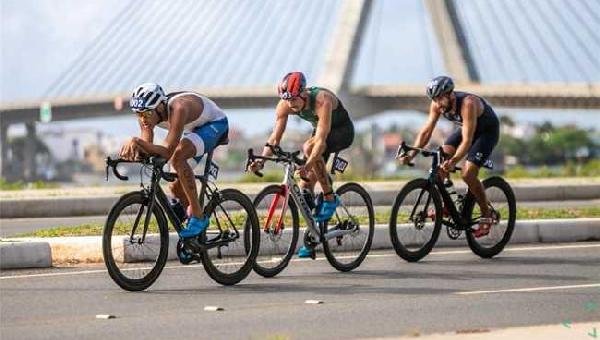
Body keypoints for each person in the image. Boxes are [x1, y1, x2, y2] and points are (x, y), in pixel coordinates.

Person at [248, 71, 355, 257]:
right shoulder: (285, 104)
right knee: (305, 188)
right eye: (287, 100)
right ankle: (314, 237)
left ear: (304, 93)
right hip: (321, 134)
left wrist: (308, 164)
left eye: (294, 100)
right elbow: (275, 138)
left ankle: (330, 198)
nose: (291, 105)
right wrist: (262, 160)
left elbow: (320, 141)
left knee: (308, 148)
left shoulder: (322, 100)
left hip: (341, 132)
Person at [119, 83, 228, 239]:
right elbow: (147, 145)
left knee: (177, 157)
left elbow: (167, 150)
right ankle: (193, 230)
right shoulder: (146, 114)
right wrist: (137, 152)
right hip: (192, 131)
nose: (143, 119)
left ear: (160, 107)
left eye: (147, 113)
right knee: (175, 187)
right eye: (138, 114)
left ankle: (198, 216)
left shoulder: (178, 109)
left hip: (215, 124)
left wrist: (138, 142)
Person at [398, 76, 500, 237]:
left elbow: (467, 141)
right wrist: (411, 154)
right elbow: (426, 131)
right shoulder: (437, 105)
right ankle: (448, 204)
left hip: (486, 133)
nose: (437, 104)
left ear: (450, 94)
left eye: (439, 98)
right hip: (467, 128)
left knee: (468, 173)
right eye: (434, 99)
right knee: (440, 161)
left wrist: (453, 162)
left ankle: (486, 214)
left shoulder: (468, 104)